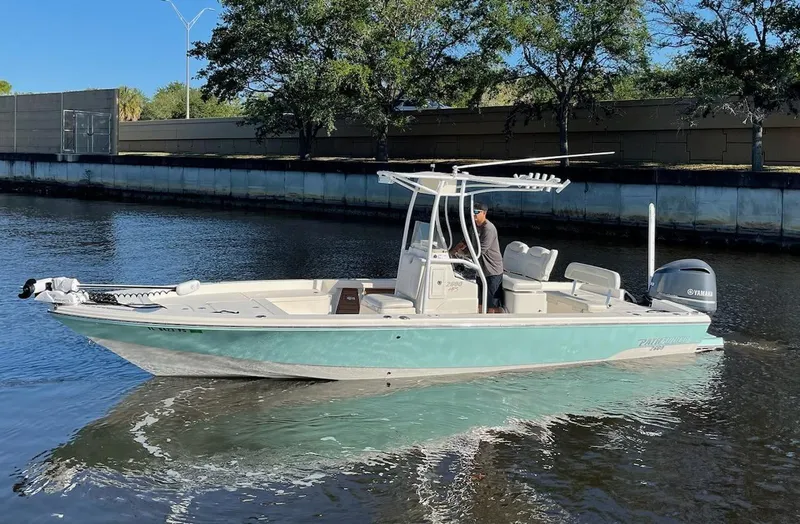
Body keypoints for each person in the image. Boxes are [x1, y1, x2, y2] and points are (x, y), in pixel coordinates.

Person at [449, 202, 505, 313]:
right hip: (481, 270)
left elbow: (481, 250)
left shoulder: (488, 229)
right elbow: (465, 241)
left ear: (484, 213)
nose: (473, 214)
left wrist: (462, 254)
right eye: (472, 212)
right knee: (480, 302)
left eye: (476, 212)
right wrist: (452, 251)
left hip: (492, 270)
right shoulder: (473, 227)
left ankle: (496, 324)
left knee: (491, 305)